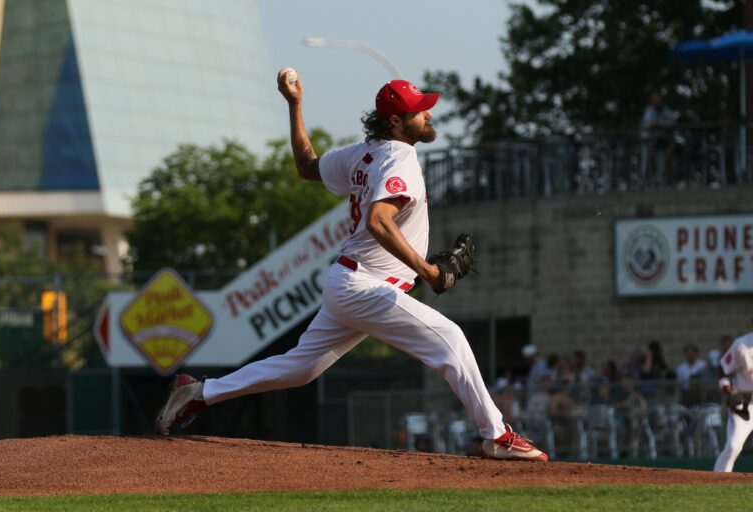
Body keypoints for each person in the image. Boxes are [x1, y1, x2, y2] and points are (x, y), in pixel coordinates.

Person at [154, 70, 547, 462]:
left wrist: (295, 106)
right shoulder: (401, 156)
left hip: (350, 281)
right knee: (451, 340)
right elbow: (378, 221)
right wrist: (428, 272)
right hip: (366, 285)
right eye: (419, 111)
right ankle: (496, 435)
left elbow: (307, 166)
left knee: (301, 368)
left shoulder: (363, 152)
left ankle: (200, 392)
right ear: (396, 121)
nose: (428, 114)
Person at [714, 332, 753, 472]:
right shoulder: (741, 345)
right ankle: (716, 484)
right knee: (733, 446)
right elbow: (722, 368)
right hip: (744, 402)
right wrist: (727, 388)